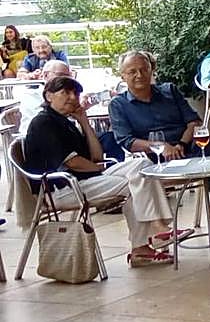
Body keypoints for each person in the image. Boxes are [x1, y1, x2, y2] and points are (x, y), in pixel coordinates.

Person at [23, 75, 188, 267]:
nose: (73, 97)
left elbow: (97, 156)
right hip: (60, 188)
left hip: (85, 179)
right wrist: (99, 168)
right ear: (48, 96)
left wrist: (84, 122)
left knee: (142, 167)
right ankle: (153, 235)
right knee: (134, 183)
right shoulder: (43, 123)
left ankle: (151, 238)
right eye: (65, 92)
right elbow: (74, 163)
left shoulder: (67, 122)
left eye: (75, 93)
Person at [108, 50, 210, 253]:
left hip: (185, 147)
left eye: (144, 69)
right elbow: (127, 141)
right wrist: (161, 147)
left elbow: (193, 122)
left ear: (152, 70)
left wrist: (181, 144)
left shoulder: (169, 91)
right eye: (132, 71)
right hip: (154, 158)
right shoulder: (119, 105)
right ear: (123, 76)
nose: (139, 75)